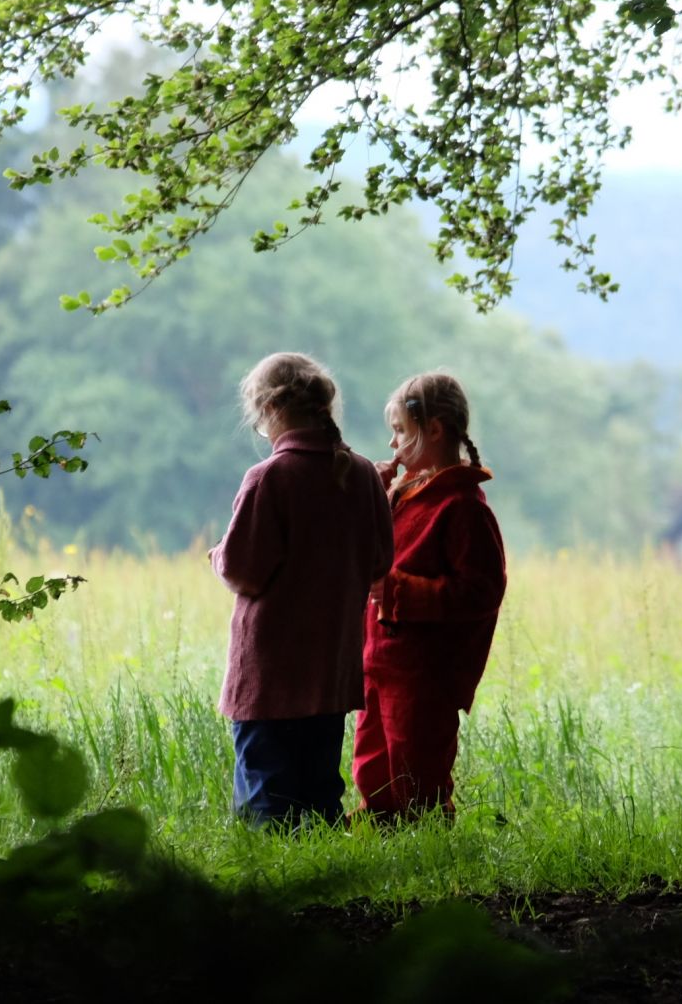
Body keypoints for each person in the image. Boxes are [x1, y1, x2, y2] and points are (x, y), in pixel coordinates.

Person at [210, 352, 394, 828]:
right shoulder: (361, 475)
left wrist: (217, 556)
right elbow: (379, 562)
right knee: (318, 798)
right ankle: (324, 889)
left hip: (270, 675)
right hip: (329, 672)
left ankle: (274, 892)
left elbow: (243, 570)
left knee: (265, 804)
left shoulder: (270, 477)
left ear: (268, 409)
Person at [352, 372, 506, 821]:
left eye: (401, 429)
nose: (392, 441)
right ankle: (378, 825)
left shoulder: (462, 507)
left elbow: (480, 592)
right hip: (378, 658)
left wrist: (398, 589)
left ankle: (426, 833)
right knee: (372, 757)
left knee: (417, 762)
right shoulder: (402, 495)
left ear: (434, 430)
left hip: (425, 669)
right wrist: (375, 498)